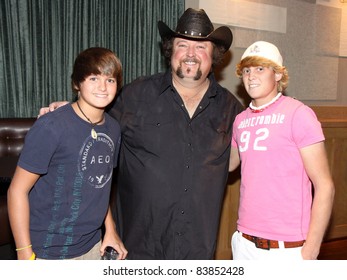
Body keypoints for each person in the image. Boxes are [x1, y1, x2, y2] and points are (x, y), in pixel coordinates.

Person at [39, 8, 244, 259]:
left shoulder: (232, 109)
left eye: (201, 47)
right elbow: (92, 133)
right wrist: (73, 110)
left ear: (214, 55)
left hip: (197, 249)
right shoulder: (135, 96)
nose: (191, 54)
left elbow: (246, 161)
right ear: (170, 51)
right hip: (137, 248)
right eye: (182, 45)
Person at [7, 47, 128, 260]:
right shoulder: (51, 126)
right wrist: (24, 253)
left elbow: (100, 185)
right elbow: (17, 191)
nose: (102, 87)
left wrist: (110, 229)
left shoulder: (113, 128)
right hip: (47, 251)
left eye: (110, 80)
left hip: (92, 246)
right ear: (76, 84)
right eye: (93, 78)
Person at [229, 41, 335, 260]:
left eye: (260, 68)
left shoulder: (298, 114)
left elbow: (325, 186)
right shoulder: (240, 120)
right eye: (246, 70)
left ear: (277, 75)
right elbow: (228, 165)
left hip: (288, 248)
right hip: (244, 243)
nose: (251, 76)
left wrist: (312, 248)